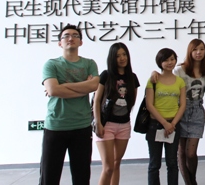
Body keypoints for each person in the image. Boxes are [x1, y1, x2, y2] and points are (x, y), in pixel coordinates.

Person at [40, 24, 99, 185]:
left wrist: (63, 87)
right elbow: (53, 90)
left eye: (75, 35)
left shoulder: (89, 64)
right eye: (66, 36)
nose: (70, 38)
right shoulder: (51, 64)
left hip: (81, 126)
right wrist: (83, 87)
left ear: (81, 42)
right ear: (60, 43)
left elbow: (94, 86)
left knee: (82, 177)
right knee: (49, 177)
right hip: (56, 125)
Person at [151, 39, 205, 185]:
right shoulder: (180, 70)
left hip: (197, 112)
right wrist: (154, 72)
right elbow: (167, 79)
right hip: (180, 112)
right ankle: (189, 183)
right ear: (189, 52)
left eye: (201, 49)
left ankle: (192, 180)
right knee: (181, 152)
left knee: (191, 153)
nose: (198, 52)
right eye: (195, 49)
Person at [94, 43, 140, 185]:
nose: (122, 58)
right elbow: (96, 101)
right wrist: (98, 123)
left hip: (124, 125)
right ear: (112, 58)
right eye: (118, 55)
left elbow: (131, 101)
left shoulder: (132, 77)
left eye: (124, 54)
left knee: (116, 163)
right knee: (108, 167)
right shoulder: (106, 75)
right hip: (106, 124)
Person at [145, 48, 187, 185]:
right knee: (154, 164)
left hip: (173, 125)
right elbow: (149, 105)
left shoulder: (180, 81)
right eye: (166, 60)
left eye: (172, 59)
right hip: (155, 125)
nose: (170, 62)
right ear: (160, 62)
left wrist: (172, 124)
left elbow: (182, 105)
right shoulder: (153, 80)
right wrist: (165, 123)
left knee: (172, 163)